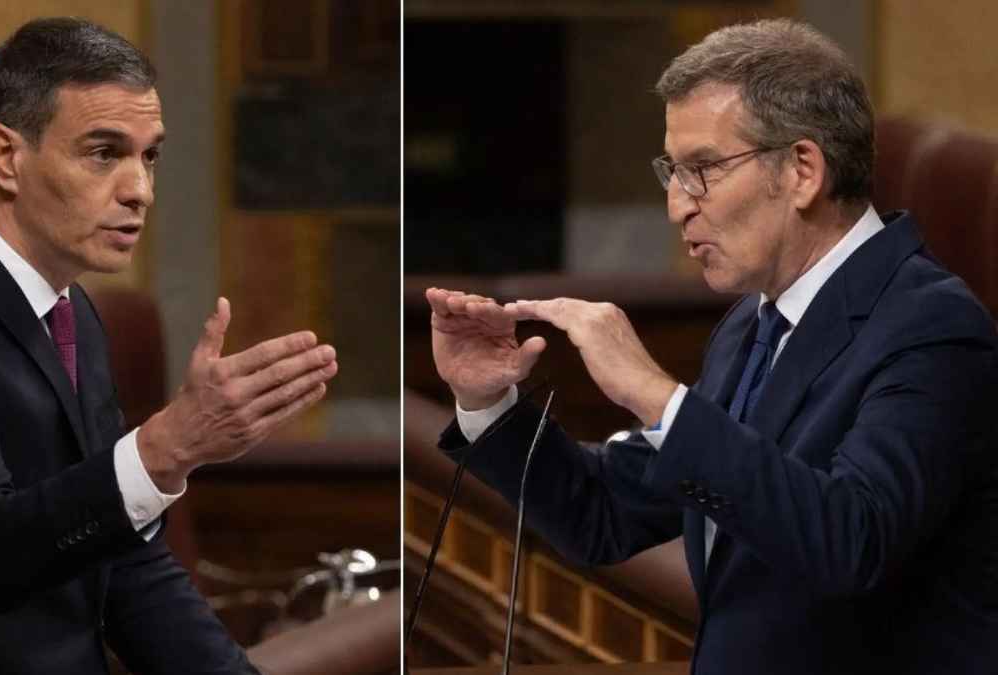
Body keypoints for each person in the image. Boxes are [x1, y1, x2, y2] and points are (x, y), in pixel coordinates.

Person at [427, 18, 998, 675]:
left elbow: (851, 538)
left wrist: (650, 391)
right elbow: (605, 512)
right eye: (672, 171)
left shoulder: (932, 326)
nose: (677, 206)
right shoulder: (750, 326)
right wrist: (488, 402)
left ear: (803, 171)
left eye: (702, 170)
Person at [0, 18, 338, 674]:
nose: (139, 189)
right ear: (6, 156)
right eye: (104, 152)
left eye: (150, 155)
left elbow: (123, 563)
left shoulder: (72, 312)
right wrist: (163, 448)